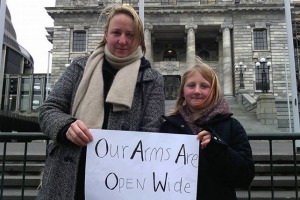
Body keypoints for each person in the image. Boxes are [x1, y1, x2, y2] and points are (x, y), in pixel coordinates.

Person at [37, 5, 165, 200]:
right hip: (70, 173)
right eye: (116, 33)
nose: (123, 40)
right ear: (106, 34)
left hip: (119, 179)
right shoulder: (79, 67)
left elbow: (151, 130)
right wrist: (65, 126)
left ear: (139, 38)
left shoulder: (152, 79)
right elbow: (48, 109)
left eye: (130, 34)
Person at [159, 58, 255, 200]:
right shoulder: (168, 126)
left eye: (204, 86)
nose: (197, 91)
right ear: (182, 91)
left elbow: (245, 177)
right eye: (191, 85)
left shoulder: (232, 126)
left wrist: (217, 147)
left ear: (214, 91)